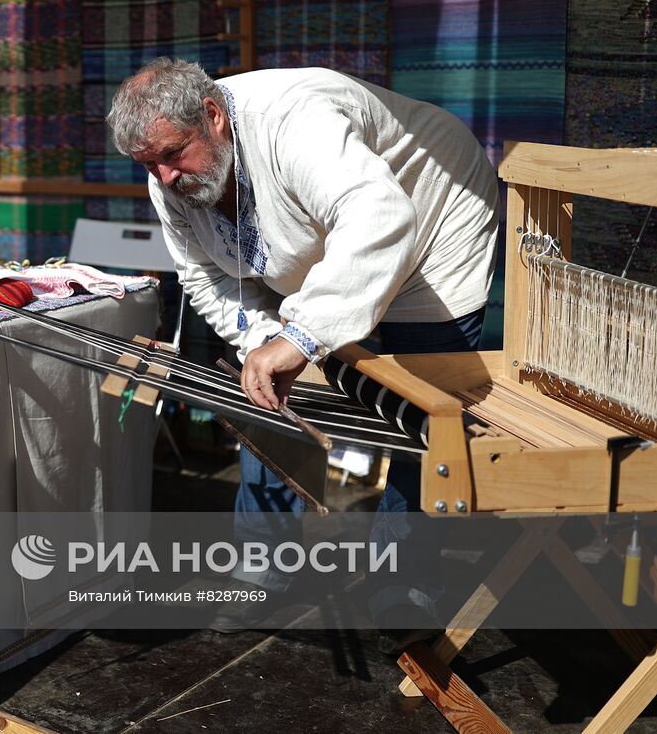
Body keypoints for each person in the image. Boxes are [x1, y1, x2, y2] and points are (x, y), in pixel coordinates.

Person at [106, 59, 499, 622]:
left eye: (172, 155)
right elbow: (203, 274)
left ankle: (405, 582)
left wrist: (303, 334)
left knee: (420, 409)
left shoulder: (294, 120)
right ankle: (262, 568)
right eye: (149, 165)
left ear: (214, 116)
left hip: (432, 221)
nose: (164, 177)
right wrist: (270, 342)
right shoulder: (169, 173)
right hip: (327, 243)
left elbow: (379, 217)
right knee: (265, 387)